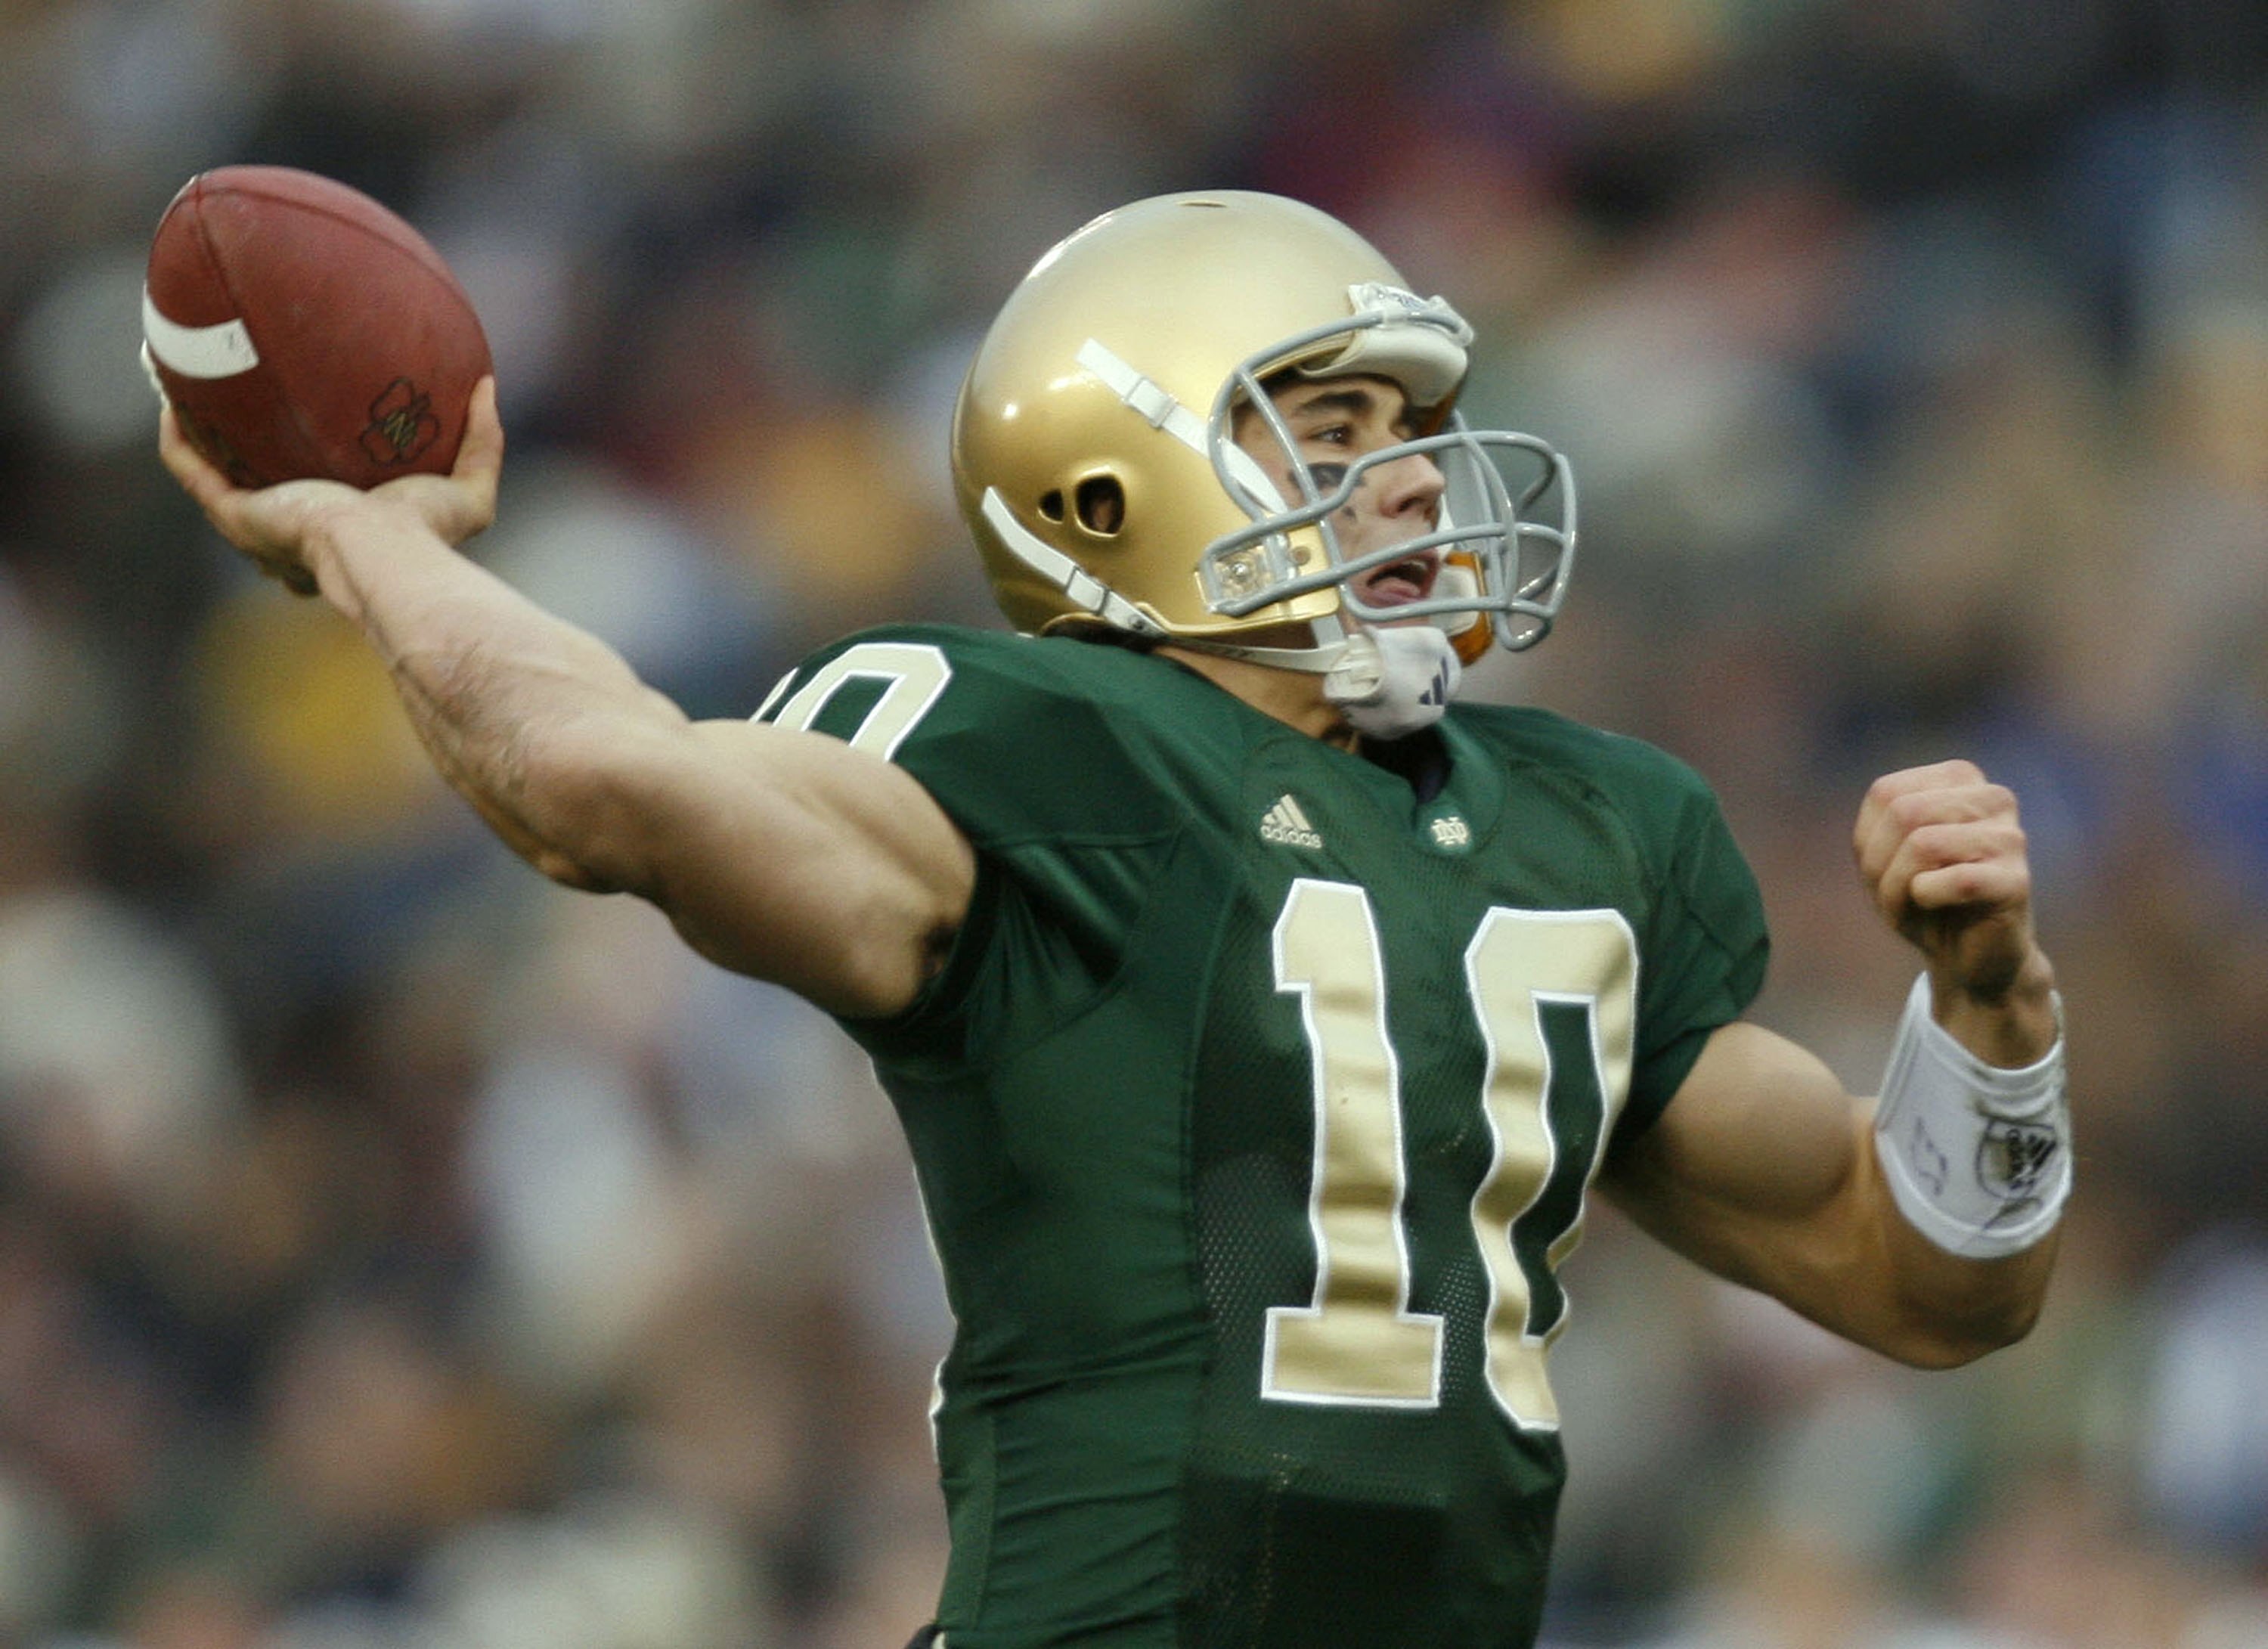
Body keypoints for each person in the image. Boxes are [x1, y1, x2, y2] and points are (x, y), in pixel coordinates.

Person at [156, 191, 2071, 1649]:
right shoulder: (1033, 742)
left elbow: (1920, 1280)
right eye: (1330, 424)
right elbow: (604, 781)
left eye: (1415, 423)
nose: (1412, 472)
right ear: (1102, 486)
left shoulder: (1586, 822)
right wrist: (370, 534)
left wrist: (1991, 1015)